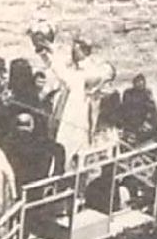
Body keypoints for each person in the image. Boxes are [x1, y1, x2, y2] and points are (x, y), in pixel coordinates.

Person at [38, 36, 113, 168]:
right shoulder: (74, 68)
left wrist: (52, 52)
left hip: (77, 120)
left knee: (70, 153)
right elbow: (58, 72)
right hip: (63, 116)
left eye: (76, 49)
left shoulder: (90, 71)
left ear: (85, 51)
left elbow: (65, 76)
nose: (72, 52)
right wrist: (45, 53)